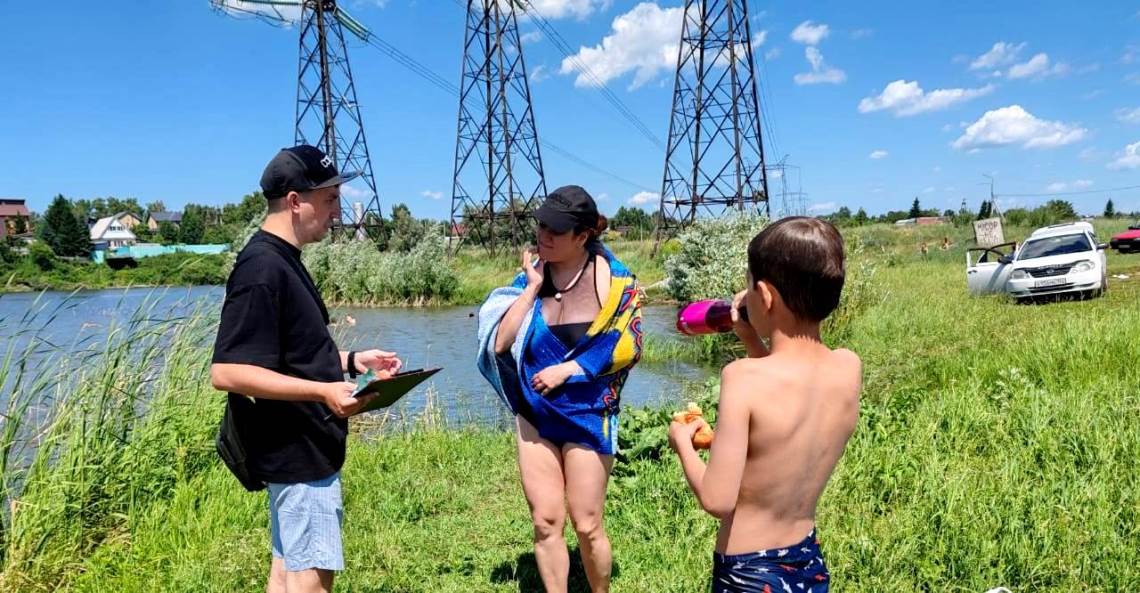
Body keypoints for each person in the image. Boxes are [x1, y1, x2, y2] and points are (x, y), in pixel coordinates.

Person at [210, 145, 402, 593]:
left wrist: (354, 362)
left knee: (287, 573)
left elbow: (289, 357)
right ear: (296, 201)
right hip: (298, 454)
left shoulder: (283, 260)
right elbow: (228, 371)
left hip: (301, 451)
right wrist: (324, 393)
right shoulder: (262, 268)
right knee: (310, 580)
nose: (337, 211)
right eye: (330, 199)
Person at [668, 217, 862, 593]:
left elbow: (717, 499)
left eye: (749, 287)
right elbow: (785, 398)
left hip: (749, 571)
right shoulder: (848, 366)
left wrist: (682, 444)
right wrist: (753, 338)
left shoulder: (742, 378)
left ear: (766, 295)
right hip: (807, 558)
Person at [477, 185, 644, 593]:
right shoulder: (528, 277)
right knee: (545, 520)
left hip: (588, 414)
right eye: (541, 225)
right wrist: (532, 288)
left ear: (583, 235)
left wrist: (570, 368)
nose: (544, 235)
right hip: (535, 412)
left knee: (587, 524)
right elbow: (498, 343)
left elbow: (630, 344)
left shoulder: (617, 282)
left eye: (556, 229)